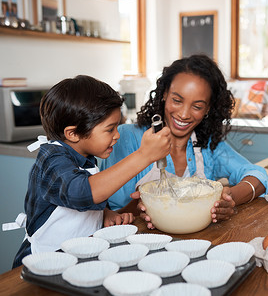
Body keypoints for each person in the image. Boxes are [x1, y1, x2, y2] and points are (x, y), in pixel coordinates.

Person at [12, 75, 171, 268]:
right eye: (110, 129)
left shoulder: (84, 155)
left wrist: (104, 214)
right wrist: (144, 155)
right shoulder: (52, 160)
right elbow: (81, 192)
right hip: (41, 262)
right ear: (73, 133)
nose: (117, 135)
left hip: (76, 258)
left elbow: (70, 203)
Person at [101, 54, 268, 228]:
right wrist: (145, 205)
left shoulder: (207, 146)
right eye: (177, 100)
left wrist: (228, 199)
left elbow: (258, 176)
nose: (183, 114)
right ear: (164, 93)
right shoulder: (127, 138)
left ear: (207, 109)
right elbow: (108, 213)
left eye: (197, 106)